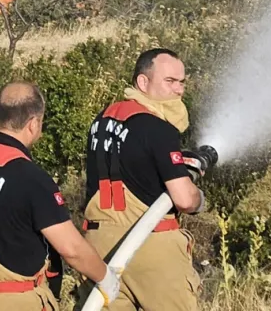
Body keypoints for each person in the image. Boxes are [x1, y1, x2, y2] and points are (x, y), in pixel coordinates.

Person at [0, 81, 121, 310]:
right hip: (7, 300)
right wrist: (106, 278)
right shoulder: (32, 179)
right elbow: (71, 250)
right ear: (33, 124)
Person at [78, 48, 207, 311]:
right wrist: (199, 199)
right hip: (150, 243)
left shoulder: (101, 121)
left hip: (98, 246)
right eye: (169, 81)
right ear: (143, 82)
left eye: (181, 82)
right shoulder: (158, 127)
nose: (178, 90)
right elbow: (183, 199)